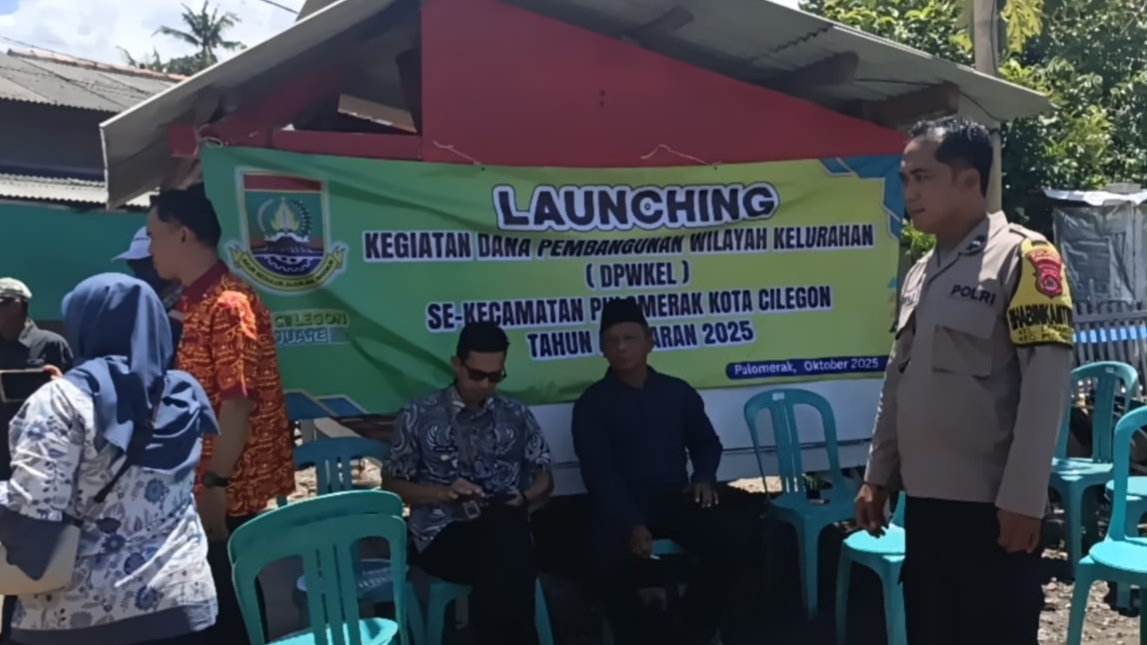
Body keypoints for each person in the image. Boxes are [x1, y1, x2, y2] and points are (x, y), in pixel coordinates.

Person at [854, 116, 1073, 645]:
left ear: (969, 179)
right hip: (926, 507)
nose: (909, 192)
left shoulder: (1024, 258)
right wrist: (877, 474)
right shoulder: (921, 271)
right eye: (904, 179)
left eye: (922, 177)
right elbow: (898, 379)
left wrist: (1025, 499)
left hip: (992, 509)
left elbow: (1046, 386)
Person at [0, 273, 219, 645]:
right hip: (184, 604)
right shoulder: (184, 393)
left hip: (80, 616)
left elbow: (33, 511)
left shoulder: (58, 402)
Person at [145, 184, 294, 643]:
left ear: (183, 234)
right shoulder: (193, 302)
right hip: (203, 485)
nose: (149, 248)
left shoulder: (228, 304)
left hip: (227, 493)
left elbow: (237, 403)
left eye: (153, 235)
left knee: (229, 607)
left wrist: (216, 485)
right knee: (214, 604)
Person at [572, 297, 758, 645]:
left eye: (630, 338)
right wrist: (632, 522)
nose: (621, 347)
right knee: (601, 562)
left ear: (650, 341)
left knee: (735, 540)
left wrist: (703, 478)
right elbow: (598, 473)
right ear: (602, 348)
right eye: (612, 340)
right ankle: (643, 633)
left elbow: (707, 443)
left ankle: (691, 626)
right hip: (620, 508)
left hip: (674, 498)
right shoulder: (592, 404)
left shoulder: (676, 392)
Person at [383, 321, 553, 645]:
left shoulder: (515, 413)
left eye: (495, 376)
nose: (485, 385)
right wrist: (443, 492)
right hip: (444, 532)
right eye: (477, 375)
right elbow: (392, 484)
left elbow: (545, 477)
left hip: (505, 525)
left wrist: (525, 497)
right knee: (511, 554)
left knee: (505, 535)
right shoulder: (419, 414)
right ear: (457, 364)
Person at [0, 277, 73, 638]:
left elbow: (77, 396)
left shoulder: (52, 344)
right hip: (1, 457)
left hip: (39, 461)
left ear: (21, 306)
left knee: (32, 550)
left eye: (4, 303)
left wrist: (59, 383)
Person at [113, 226, 185, 348]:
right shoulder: (139, 305)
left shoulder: (192, 307)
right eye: (134, 264)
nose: (140, 271)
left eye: (148, 263)